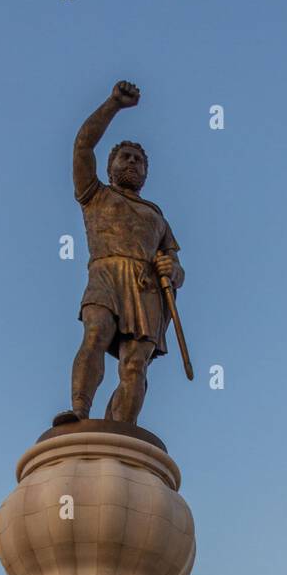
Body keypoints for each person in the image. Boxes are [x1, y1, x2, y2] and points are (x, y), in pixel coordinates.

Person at [55, 80, 185, 427]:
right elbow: (82, 145)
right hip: (106, 273)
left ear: (145, 172)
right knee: (95, 333)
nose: (132, 162)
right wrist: (114, 104)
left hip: (145, 287)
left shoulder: (156, 215)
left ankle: (122, 431)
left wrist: (171, 269)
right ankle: (80, 410)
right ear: (111, 166)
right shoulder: (94, 194)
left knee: (134, 364)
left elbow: (177, 266)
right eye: (125, 157)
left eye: (139, 160)